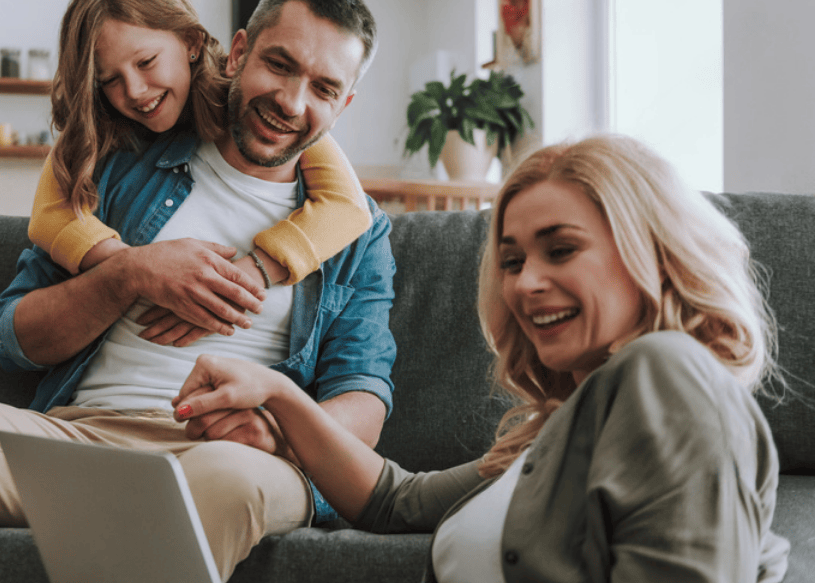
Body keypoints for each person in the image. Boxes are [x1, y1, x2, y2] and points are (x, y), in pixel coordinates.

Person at [0, 0, 393, 583]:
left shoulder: (356, 230)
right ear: (238, 51)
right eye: (279, 65)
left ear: (343, 103)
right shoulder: (123, 158)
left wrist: (278, 428)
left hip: (236, 455)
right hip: (84, 439)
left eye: (324, 87)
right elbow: (17, 341)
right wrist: (129, 275)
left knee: (222, 479)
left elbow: (363, 401)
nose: (293, 101)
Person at [173, 134, 791, 582]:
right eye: (514, 260)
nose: (523, 284)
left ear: (652, 254)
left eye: (561, 249)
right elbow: (395, 501)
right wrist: (277, 393)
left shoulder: (669, 373)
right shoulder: (558, 433)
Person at [29, 0, 371, 349]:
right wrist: (137, 268)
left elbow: (348, 207)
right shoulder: (105, 132)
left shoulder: (260, 108)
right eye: (109, 79)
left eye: (147, 62)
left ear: (192, 43)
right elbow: (50, 216)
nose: (136, 91)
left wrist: (244, 276)